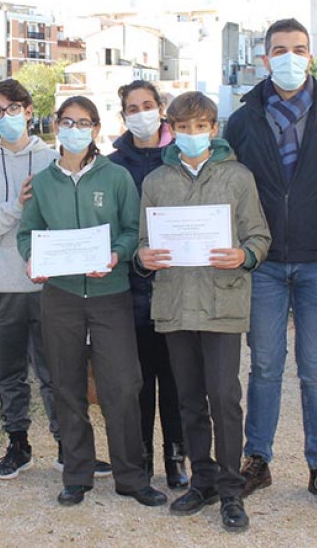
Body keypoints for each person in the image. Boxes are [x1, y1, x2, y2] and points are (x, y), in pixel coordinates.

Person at [224, 17, 317, 510]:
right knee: (263, 367)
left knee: (316, 370)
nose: (289, 56)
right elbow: (230, 189)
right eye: (279, 49)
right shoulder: (243, 120)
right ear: (265, 58)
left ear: (312, 56)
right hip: (262, 262)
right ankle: (257, 461)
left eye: (299, 48)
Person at [17, 96, 165, 508]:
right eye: (68, 121)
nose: (76, 129)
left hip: (110, 294)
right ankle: (77, 474)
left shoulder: (115, 177)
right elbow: (28, 233)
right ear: (56, 127)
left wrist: (116, 254)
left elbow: (133, 229)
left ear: (96, 129)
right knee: (66, 385)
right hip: (60, 295)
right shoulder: (43, 182)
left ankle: (132, 477)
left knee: (122, 385)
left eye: (84, 122)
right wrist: (32, 259)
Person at [0, 79, 111, 480]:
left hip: (53, 286)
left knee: (59, 372)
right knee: (9, 373)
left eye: (14, 108)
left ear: (29, 111)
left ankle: (69, 448)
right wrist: (15, 206)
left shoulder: (55, 160)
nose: (6, 117)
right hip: (0, 285)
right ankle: (18, 445)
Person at [138, 91, 271, 532]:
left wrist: (243, 255)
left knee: (224, 398)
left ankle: (232, 490)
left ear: (214, 129)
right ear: (171, 130)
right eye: (182, 127)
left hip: (221, 300)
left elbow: (259, 237)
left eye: (200, 126)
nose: (191, 135)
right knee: (189, 399)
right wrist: (145, 257)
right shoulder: (157, 180)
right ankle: (203, 479)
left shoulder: (238, 177)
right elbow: (143, 241)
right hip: (176, 302)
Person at [107, 80, 187, 489]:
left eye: (148, 104)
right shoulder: (112, 163)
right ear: (123, 116)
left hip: (177, 285)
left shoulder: (182, 156)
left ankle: (177, 457)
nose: (141, 113)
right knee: (136, 381)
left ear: (161, 109)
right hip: (130, 288)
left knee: (176, 378)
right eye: (132, 107)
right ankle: (141, 457)